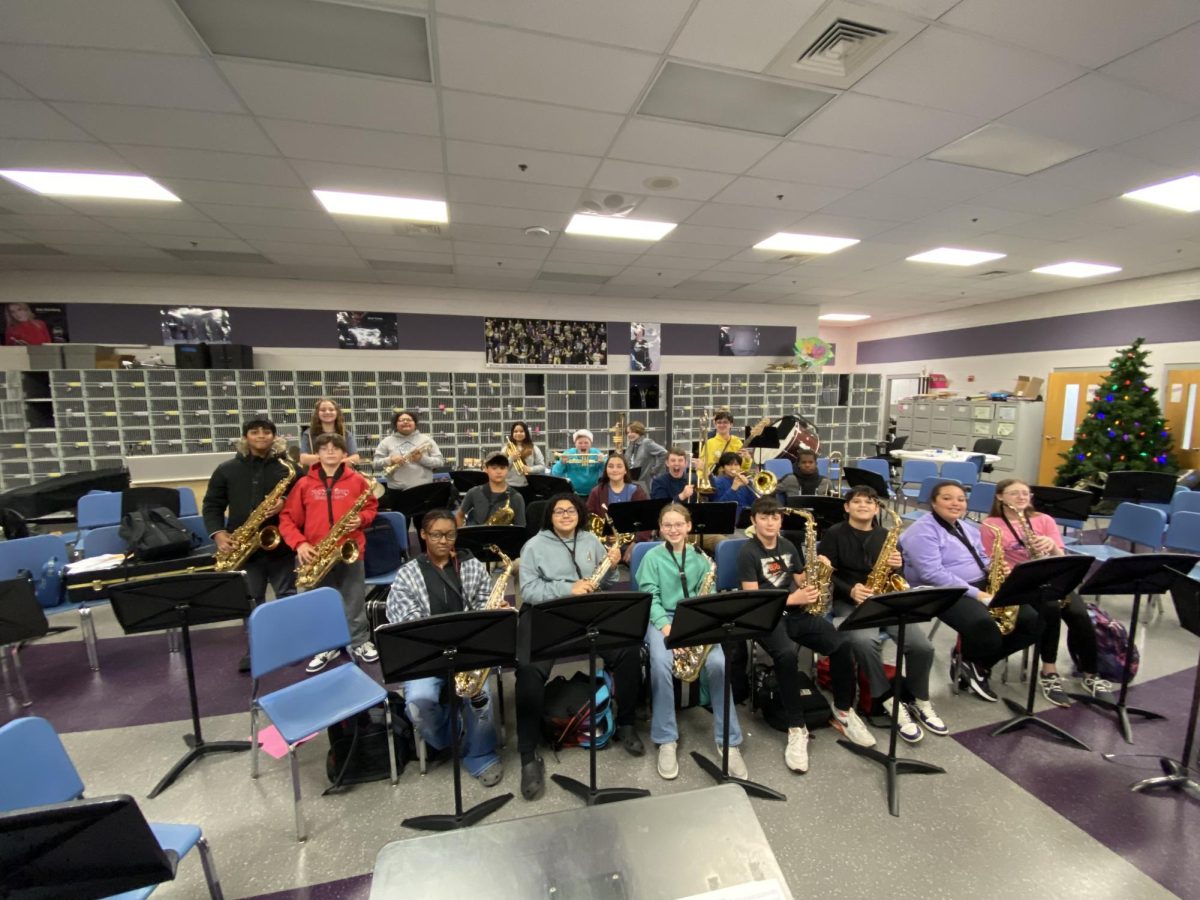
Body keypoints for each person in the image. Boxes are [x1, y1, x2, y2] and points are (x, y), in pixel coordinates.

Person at [516, 493, 645, 800]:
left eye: (570, 510)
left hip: (590, 613)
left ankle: (626, 722)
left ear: (579, 514)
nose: (565, 515)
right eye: (558, 511)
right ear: (549, 516)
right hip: (547, 613)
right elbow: (529, 591)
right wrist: (567, 589)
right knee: (528, 669)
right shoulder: (533, 546)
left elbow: (608, 583)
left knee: (628, 651)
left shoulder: (590, 541)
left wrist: (612, 567)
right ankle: (527, 752)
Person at [737, 496, 875, 773]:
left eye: (774, 517)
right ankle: (796, 726)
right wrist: (792, 598)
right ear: (753, 521)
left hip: (797, 613)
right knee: (786, 655)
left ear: (781, 520)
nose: (770, 522)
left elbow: (801, 580)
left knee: (841, 644)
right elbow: (753, 599)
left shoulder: (788, 545)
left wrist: (818, 571)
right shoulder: (747, 552)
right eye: (763, 517)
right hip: (767, 618)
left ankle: (844, 710)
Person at [385, 509, 505, 787]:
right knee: (419, 702)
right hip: (426, 655)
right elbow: (405, 622)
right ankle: (449, 735)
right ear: (423, 535)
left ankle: (481, 752)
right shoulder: (408, 574)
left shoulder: (472, 566)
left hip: (469, 652)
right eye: (437, 535)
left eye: (450, 535)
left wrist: (493, 611)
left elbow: (484, 604)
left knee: (480, 697)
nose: (444, 541)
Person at [818, 486, 945, 743]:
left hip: (885, 601)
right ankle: (888, 700)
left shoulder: (887, 535)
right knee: (864, 642)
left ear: (877, 508)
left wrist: (900, 568)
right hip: (850, 603)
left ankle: (920, 699)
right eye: (857, 501)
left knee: (922, 647)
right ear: (847, 507)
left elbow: (898, 577)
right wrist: (851, 589)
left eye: (870, 502)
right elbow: (827, 573)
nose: (863, 505)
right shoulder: (834, 534)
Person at [900, 481, 1042, 702]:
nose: (955, 503)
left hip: (980, 584)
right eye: (947, 498)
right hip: (942, 591)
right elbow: (932, 574)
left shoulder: (966, 527)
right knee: (984, 625)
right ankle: (974, 661)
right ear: (933, 502)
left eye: (961, 499)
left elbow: (982, 556)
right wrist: (978, 595)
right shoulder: (921, 532)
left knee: (1033, 621)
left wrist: (994, 567)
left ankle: (975, 663)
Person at [639, 503, 747, 780]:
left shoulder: (702, 558)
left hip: (695, 619)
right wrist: (669, 630)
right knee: (661, 663)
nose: (673, 530)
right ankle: (666, 738)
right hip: (662, 619)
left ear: (688, 526)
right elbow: (650, 598)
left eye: (678, 524)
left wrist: (695, 627)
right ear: (660, 528)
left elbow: (707, 598)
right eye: (667, 525)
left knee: (719, 664)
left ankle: (729, 740)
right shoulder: (652, 557)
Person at [982, 479, 1112, 706]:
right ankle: (1049, 672)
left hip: (1052, 578)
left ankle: (1091, 674)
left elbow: (1061, 559)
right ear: (1000, 497)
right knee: (1049, 610)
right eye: (1015, 494)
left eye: (1026, 493)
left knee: (1080, 615)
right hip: (1020, 582)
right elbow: (988, 561)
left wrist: (1051, 545)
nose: (1022, 497)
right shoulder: (991, 525)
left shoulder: (1044, 520)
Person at [202, 416, 297, 673]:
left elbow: (303, 501)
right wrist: (218, 534)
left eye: (267, 432)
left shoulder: (288, 468)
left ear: (274, 437)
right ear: (245, 438)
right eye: (255, 432)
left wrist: (285, 502)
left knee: (286, 596)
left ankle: (291, 645)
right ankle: (257, 648)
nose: (261, 436)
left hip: (280, 545)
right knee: (251, 599)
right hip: (243, 548)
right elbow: (212, 505)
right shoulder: (226, 469)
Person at [279, 432, 380, 671]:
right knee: (319, 602)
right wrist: (300, 544)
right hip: (314, 553)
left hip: (350, 550)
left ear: (345, 454)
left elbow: (371, 508)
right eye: (325, 448)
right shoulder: (304, 483)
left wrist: (361, 518)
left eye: (336, 448)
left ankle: (360, 641)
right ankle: (326, 644)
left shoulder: (357, 481)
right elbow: (287, 518)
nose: (331, 452)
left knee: (354, 598)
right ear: (317, 454)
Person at [586, 454, 650, 561]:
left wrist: (636, 543)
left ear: (626, 470)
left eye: (619, 466)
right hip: (604, 545)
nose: (615, 470)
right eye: (611, 466)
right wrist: (605, 537)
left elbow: (647, 520)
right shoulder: (596, 492)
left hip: (631, 543)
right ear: (606, 470)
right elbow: (588, 520)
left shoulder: (637, 492)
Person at [375, 409, 444, 491]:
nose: (405, 422)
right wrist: (390, 460)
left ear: (415, 423)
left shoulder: (427, 440)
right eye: (401, 420)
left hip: (424, 489)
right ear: (395, 424)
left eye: (409, 420)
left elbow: (440, 462)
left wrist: (421, 459)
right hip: (396, 491)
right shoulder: (386, 442)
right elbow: (375, 465)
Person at [457, 452, 526, 527]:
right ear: (486, 469)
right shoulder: (473, 492)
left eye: (502, 468)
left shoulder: (516, 497)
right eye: (494, 468)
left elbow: (521, 527)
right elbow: (459, 515)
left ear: (507, 469)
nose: (499, 471)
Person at [298, 398, 362, 469]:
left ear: (337, 412)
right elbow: (303, 459)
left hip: (342, 476)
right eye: (323, 410)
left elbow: (355, 458)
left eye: (331, 410)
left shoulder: (346, 434)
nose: (327, 412)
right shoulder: (308, 434)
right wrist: (338, 458)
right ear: (317, 413)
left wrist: (320, 458)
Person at [550, 428, 605, 496]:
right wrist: (562, 463)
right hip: (573, 493)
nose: (583, 445)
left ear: (591, 444)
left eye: (586, 442)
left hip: (593, 493)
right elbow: (555, 474)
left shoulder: (596, 453)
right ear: (575, 444)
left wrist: (602, 463)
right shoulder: (569, 453)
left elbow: (606, 472)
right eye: (580, 443)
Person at [696, 409, 750, 477]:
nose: (722, 425)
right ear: (715, 425)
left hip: (733, 480)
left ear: (731, 424)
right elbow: (701, 466)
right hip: (714, 480)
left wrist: (747, 459)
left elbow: (743, 468)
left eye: (725, 422)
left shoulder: (737, 442)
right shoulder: (709, 443)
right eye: (719, 422)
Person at [501, 421, 546, 489]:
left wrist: (530, 469)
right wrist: (511, 459)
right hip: (508, 486)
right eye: (515, 431)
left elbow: (542, 466)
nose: (518, 433)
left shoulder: (534, 448)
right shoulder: (505, 449)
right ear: (512, 433)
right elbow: (501, 467)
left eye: (521, 431)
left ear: (526, 433)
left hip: (528, 486)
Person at [711, 451, 757, 517]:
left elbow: (754, 503)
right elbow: (719, 506)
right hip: (727, 516)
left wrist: (749, 485)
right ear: (723, 467)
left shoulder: (745, 481)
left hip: (746, 515)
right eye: (729, 465)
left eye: (736, 465)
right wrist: (733, 488)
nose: (733, 468)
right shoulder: (717, 482)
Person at [624, 421, 666, 490]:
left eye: (632, 432)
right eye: (628, 433)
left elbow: (664, 453)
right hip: (631, 483)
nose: (629, 434)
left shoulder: (647, 443)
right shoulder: (631, 445)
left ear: (639, 431)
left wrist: (654, 470)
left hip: (643, 484)